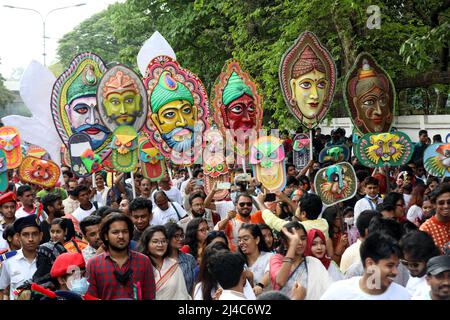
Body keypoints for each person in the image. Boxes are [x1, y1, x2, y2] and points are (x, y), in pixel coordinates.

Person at [321, 232, 411, 300]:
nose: (396, 272)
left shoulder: (403, 295)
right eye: (390, 265)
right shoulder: (338, 293)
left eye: (397, 266)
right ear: (370, 264)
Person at [86, 213, 155, 299]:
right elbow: (91, 297)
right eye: (115, 232)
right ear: (106, 236)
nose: (121, 236)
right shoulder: (94, 264)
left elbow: (150, 295)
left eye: (125, 232)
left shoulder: (143, 261)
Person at [268, 221, 332, 300]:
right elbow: (280, 281)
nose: (300, 243)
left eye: (303, 238)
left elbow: (329, 290)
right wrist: (292, 246)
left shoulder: (313, 263)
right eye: (295, 239)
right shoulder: (276, 259)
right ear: (284, 243)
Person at [137, 225, 190, 300]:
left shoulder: (173, 264)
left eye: (163, 241)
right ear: (146, 244)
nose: (160, 245)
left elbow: (182, 293)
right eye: (155, 241)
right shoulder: (141, 266)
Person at [0, 215, 42, 300]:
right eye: (25, 235)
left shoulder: (49, 259)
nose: (30, 239)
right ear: (18, 237)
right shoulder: (9, 261)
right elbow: (4, 289)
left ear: (41, 236)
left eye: (34, 234)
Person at [399, 230, 440, 298]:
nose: (410, 267)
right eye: (405, 262)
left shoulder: (433, 285)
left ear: (427, 260)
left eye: (415, 264)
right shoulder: (416, 274)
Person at [32, 218, 68, 288]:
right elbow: (41, 273)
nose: (54, 235)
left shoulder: (73, 247)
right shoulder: (45, 249)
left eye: (58, 232)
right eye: (52, 231)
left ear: (65, 231)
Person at [237, 224, 273, 293]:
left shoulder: (270, 257)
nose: (241, 242)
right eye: (239, 240)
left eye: (245, 239)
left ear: (257, 240)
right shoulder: (239, 263)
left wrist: (260, 285)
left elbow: (269, 273)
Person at [165, 222, 197, 296]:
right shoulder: (160, 261)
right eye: (176, 236)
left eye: (182, 236)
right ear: (168, 238)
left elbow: (195, 283)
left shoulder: (189, 259)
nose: (180, 239)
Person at [419, 183, 450, 253]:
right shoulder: (425, 229)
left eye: (449, 202)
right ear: (433, 205)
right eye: (441, 203)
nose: (446, 206)